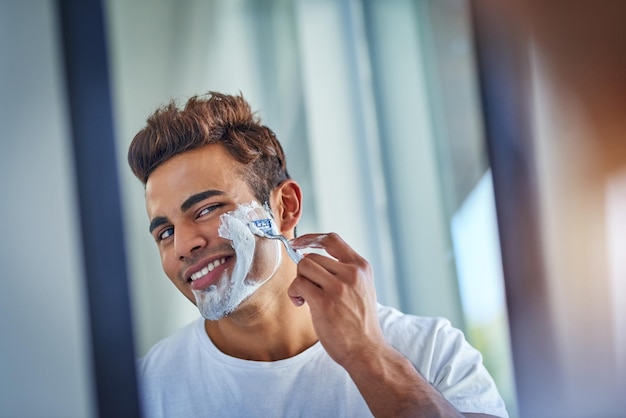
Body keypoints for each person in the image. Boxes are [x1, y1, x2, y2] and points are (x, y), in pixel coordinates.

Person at [128, 91, 509, 418]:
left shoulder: (432, 353)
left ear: (285, 208)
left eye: (207, 209)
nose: (182, 246)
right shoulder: (142, 393)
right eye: (164, 232)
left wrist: (365, 353)